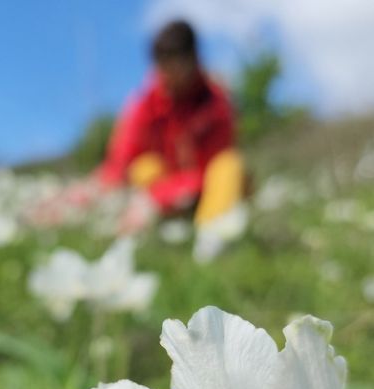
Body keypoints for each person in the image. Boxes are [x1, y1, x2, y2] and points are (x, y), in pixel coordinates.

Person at [34, 20, 247, 261]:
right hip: (161, 199)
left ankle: (210, 243)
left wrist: (157, 197)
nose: (170, 80)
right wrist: (73, 199)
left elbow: (208, 170)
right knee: (144, 167)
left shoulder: (216, 103)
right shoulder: (145, 104)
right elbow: (118, 166)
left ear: (193, 60)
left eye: (177, 69)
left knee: (229, 166)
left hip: (205, 194)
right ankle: (154, 230)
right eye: (164, 70)